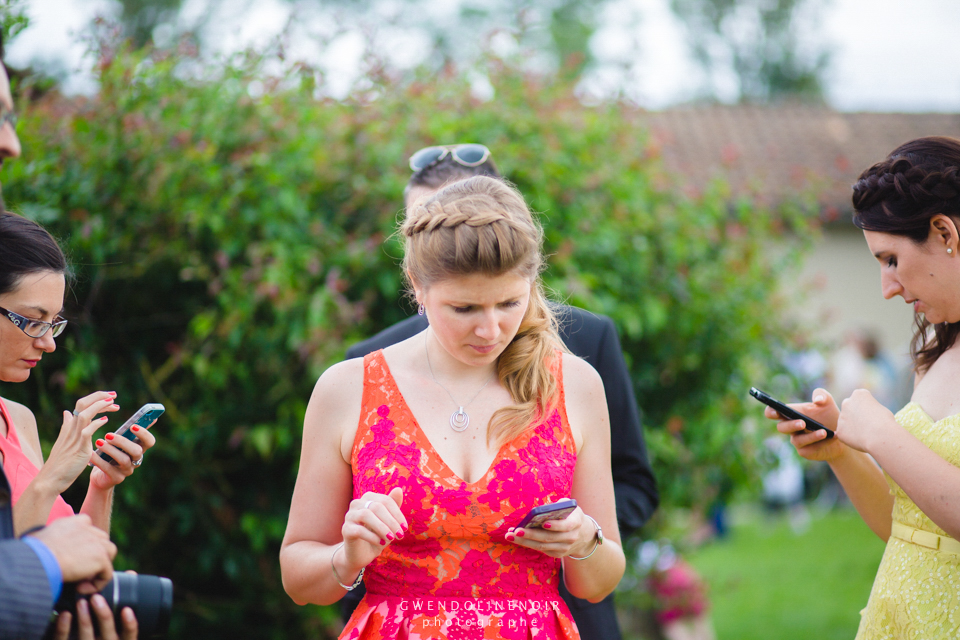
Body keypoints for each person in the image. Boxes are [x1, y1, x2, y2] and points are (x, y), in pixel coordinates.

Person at [281, 176, 626, 638]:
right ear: (417, 287)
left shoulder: (574, 385)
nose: (490, 329)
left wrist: (585, 541)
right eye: (464, 309)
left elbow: (597, 585)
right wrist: (347, 557)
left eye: (509, 303)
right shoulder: (348, 388)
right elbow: (299, 579)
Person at [767, 136, 960, 639]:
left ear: (945, 234)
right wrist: (841, 449)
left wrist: (883, 437)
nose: (887, 287)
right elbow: (910, 528)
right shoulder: (937, 349)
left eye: (891, 259)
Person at [0, 31, 140, 640]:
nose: (48, 342)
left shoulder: (19, 421)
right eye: (31, 321)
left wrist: (100, 486)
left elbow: (74, 566)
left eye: (53, 324)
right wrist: (57, 472)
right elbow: (21, 560)